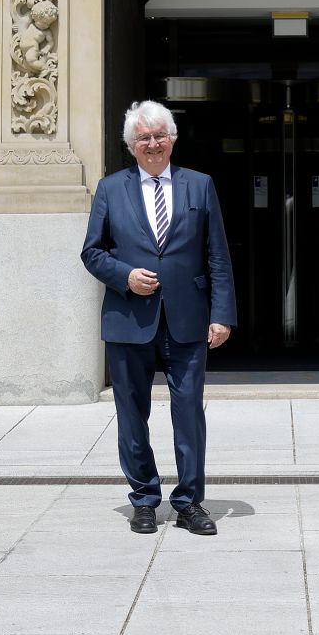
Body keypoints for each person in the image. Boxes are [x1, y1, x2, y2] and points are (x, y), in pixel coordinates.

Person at [81, 101, 237, 535]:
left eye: (159, 135)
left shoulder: (199, 185)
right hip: (129, 319)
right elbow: (91, 252)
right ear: (131, 145)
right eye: (143, 138)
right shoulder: (111, 189)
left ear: (172, 139)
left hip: (187, 319)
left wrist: (222, 314)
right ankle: (144, 499)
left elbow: (217, 256)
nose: (152, 144)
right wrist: (125, 276)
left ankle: (189, 502)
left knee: (189, 414)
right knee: (132, 415)